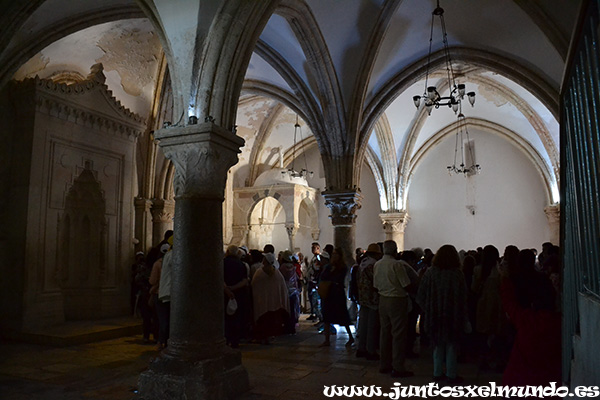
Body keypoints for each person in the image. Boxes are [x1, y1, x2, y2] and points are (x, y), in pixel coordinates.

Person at [500, 269, 561, 386]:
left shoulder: (525, 319)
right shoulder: (559, 324)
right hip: (549, 386)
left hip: (519, 383)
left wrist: (505, 278)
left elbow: (508, 302)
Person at [417, 244, 468, 383]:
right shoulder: (457, 274)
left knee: (437, 344)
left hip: (434, 314)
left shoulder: (430, 273)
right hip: (453, 314)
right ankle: (451, 374)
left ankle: (437, 373)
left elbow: (421, 294)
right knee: (452, 345)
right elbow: (463, 296)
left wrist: (427, 309)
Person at [373, 240, 414, 378]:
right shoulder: (397, 265)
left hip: (382, 299)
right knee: (398, 334)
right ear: (395, 250)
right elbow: (406, 284)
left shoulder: (377, 264)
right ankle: (398, 366)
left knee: (385, 333)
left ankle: (384, 364)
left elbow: (375, 284)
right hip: (397, 299)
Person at [319, 248, 354, 347]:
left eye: (336, 254)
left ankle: (350, 337)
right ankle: (327, 340)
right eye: (333, 254)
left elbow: (339, 279)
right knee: (327, 316)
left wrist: (333, 273)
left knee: (343, 316)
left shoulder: (343, 267)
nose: (334, 256)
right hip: (329, 293)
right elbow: (323, 277)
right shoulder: (328, 266)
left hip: (338, 294)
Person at [251, 253, 289, 344]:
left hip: (262, 302)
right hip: (274, 303)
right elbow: (282, 288)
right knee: (271, 321)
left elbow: (253, 285)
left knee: (263, 321)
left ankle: (262, 337)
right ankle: (270, 337)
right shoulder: (277, 273)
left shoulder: (259, 272)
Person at [356, 243, 382, 360]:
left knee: (363, 324)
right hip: (372, 298)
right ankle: (370, 350)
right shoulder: (373, 264)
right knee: (371, 326)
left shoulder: (363, 262)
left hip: (363, 297)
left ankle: (361, 348)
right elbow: (376, 281)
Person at [224, 245, 250, 348]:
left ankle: (226, 339)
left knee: (226, 318)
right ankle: (235, 341)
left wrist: (227, 290)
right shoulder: (242, 265)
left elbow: (220, 278)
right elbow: (244, 280)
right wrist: (234, 288)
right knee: (236, 318)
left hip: (225, 294)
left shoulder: (222, 263)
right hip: (238, 294)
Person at [149, 241, 171, 350]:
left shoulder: (158, 263)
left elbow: (152, 281)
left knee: (161, 319)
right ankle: (168, 341)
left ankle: (160, 341)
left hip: (159, 293)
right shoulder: (173, 261)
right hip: (171, 294)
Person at [280, 250, 300, 334]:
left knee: (287, 309)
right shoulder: (293, 266)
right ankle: (292, 326)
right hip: (293, 290)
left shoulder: (283, 267)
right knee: (292, 309)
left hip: (286, 290)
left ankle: (287, 327)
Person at [306, 242, 322, 321]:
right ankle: (313, 313)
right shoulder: (313, 258)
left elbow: (317, 269)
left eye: (314, 248)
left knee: (315, 299)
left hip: (314, 282)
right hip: (311, 281)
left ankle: (317, 315)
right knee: (311, 298)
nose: (312, 249)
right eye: (311, 248)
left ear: (318, 248)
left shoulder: (318, 258)